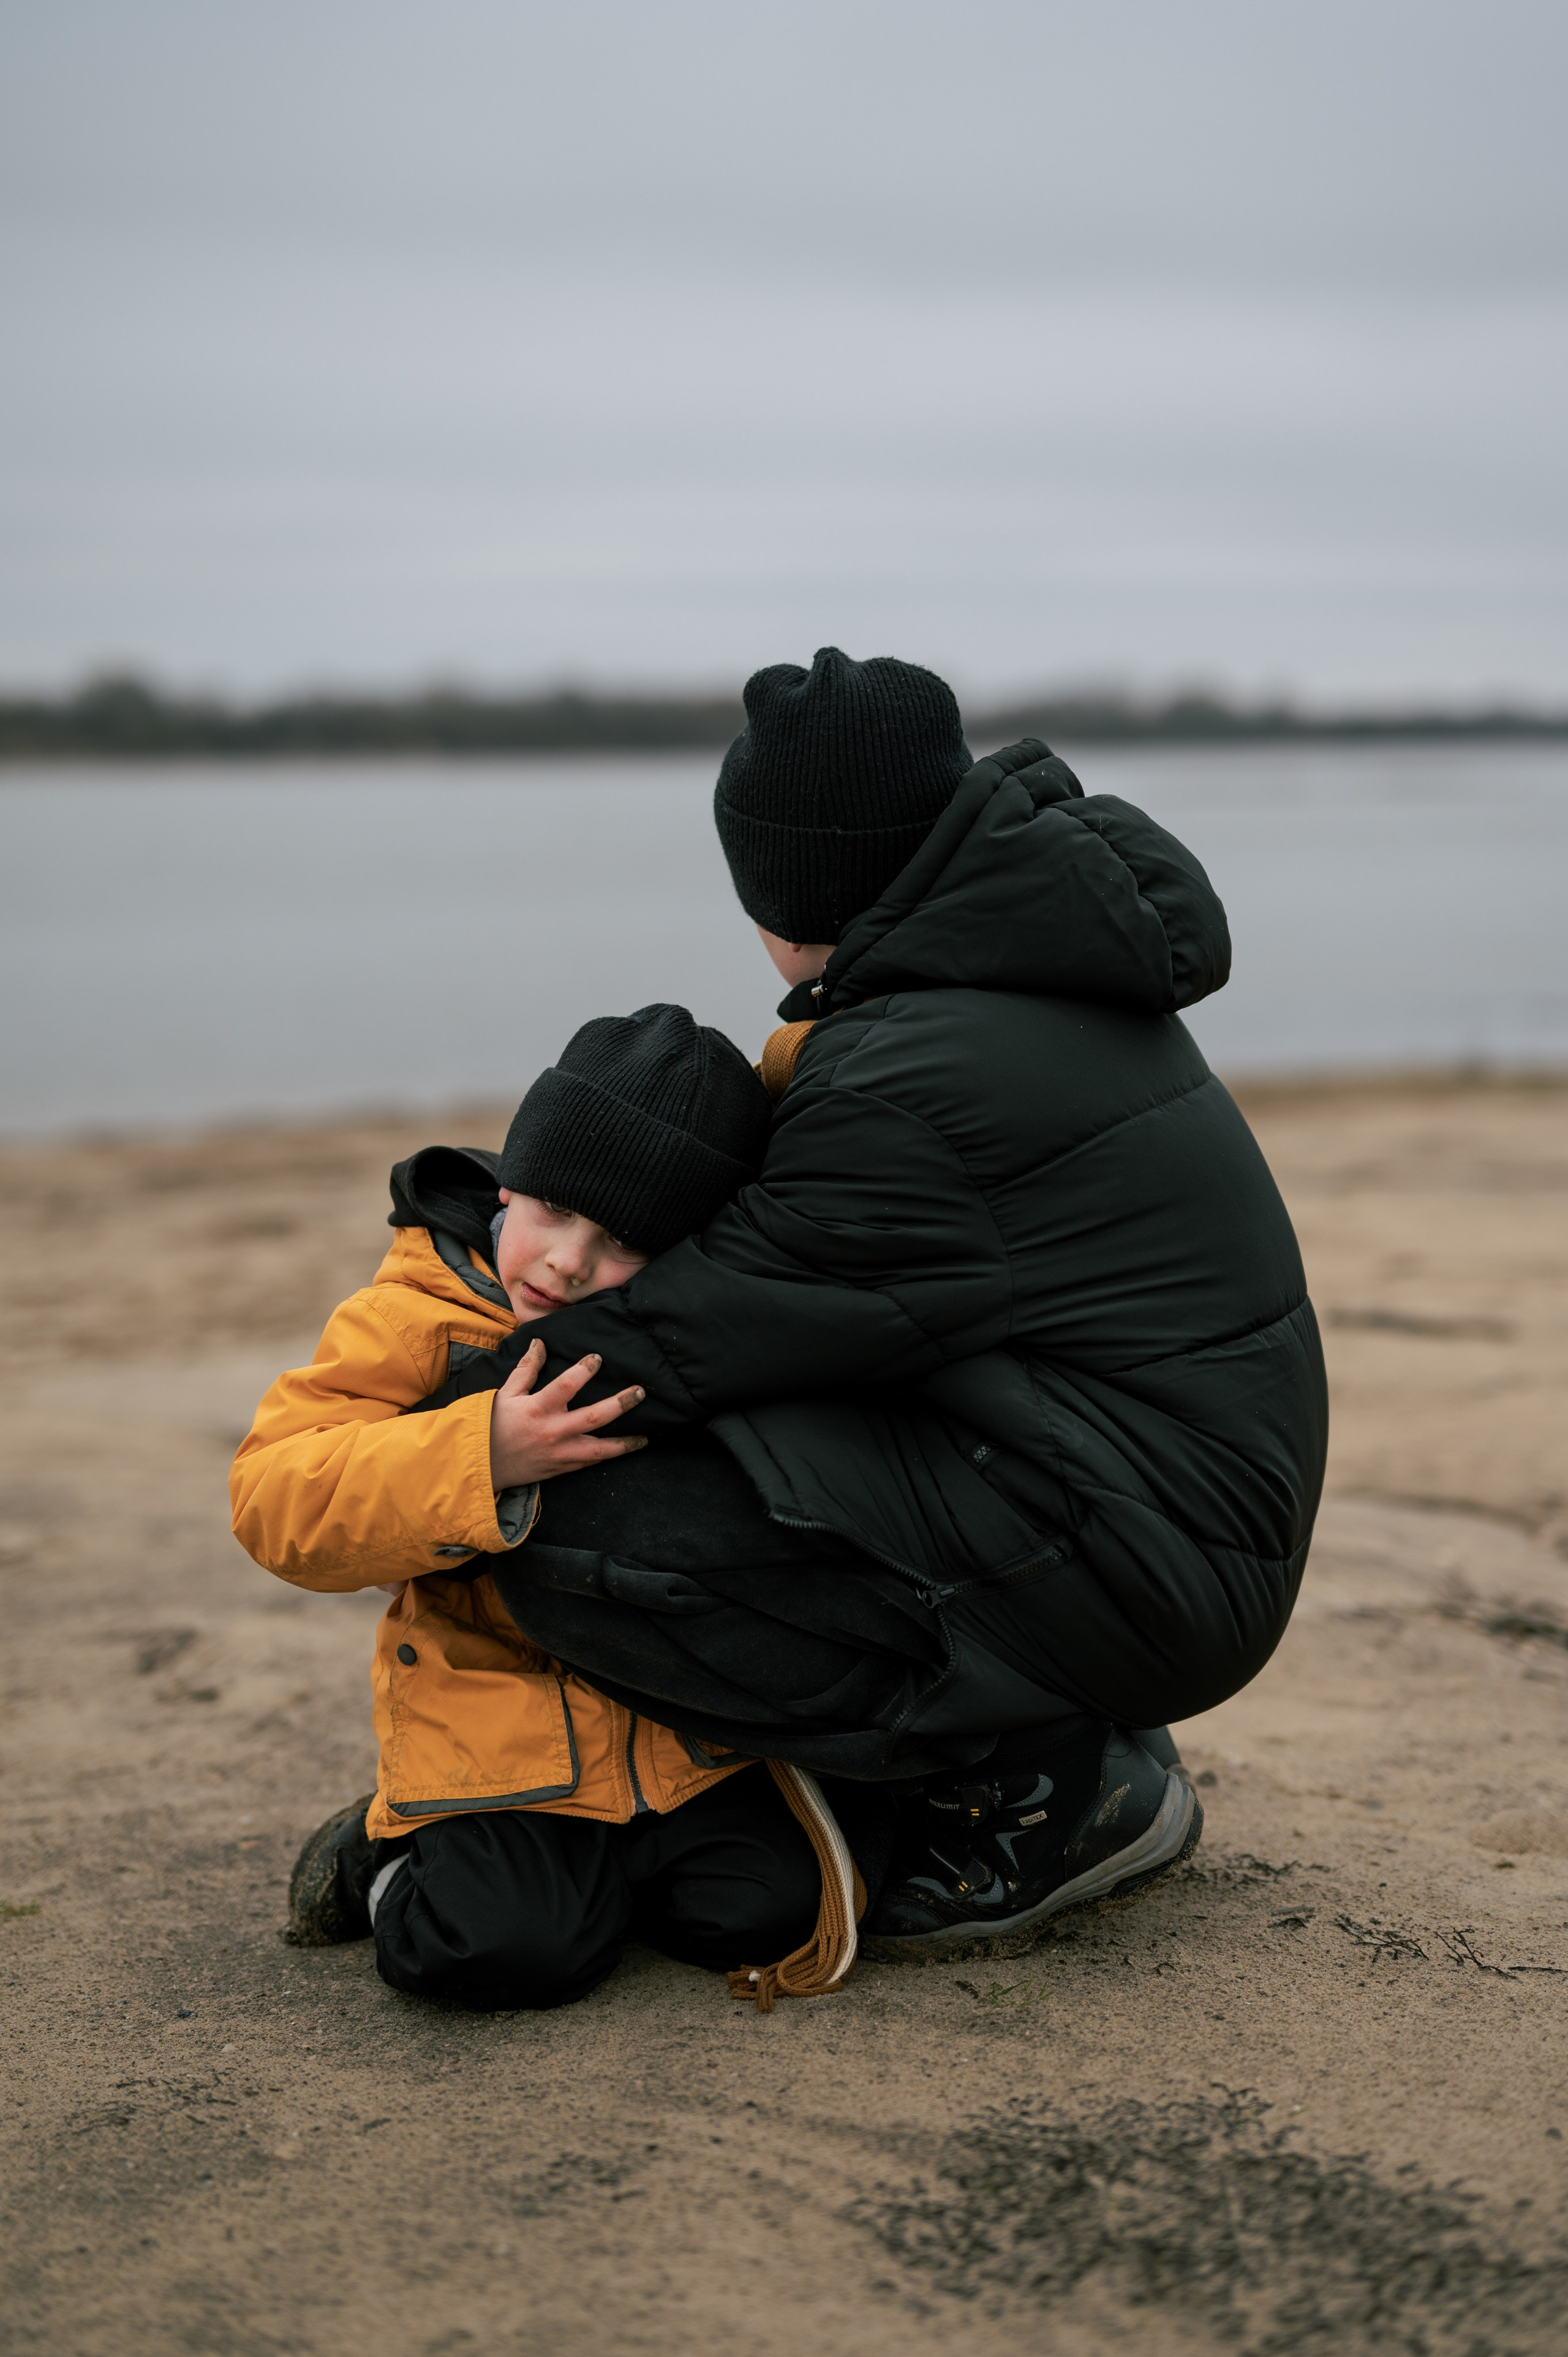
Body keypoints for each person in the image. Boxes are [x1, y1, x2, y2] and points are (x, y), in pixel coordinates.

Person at [415, 647, 1330, 1955]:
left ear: (793, 884)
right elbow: (808, 1294)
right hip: (1157, 1503)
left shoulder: (912, 1069)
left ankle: (1040, 1787)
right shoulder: (1013, 973)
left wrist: (457, 1410)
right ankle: (1047, 1728)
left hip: (1149, 1559)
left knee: (554, 1508)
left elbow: (710, 1329)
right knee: (658, 1444)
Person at [230, 1005, 861, 2013]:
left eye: (622, 1245)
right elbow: (274, 1501)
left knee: (767, 1912)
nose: (569, 1264)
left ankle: (582, 1877)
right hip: (495, 1727)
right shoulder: (412, 1319)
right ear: (509, 1185)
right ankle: (387, 1856)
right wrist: (481, 1451)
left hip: (670, 1733)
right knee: (501, 1953)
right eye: (554, 1214)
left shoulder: (688, 1340)